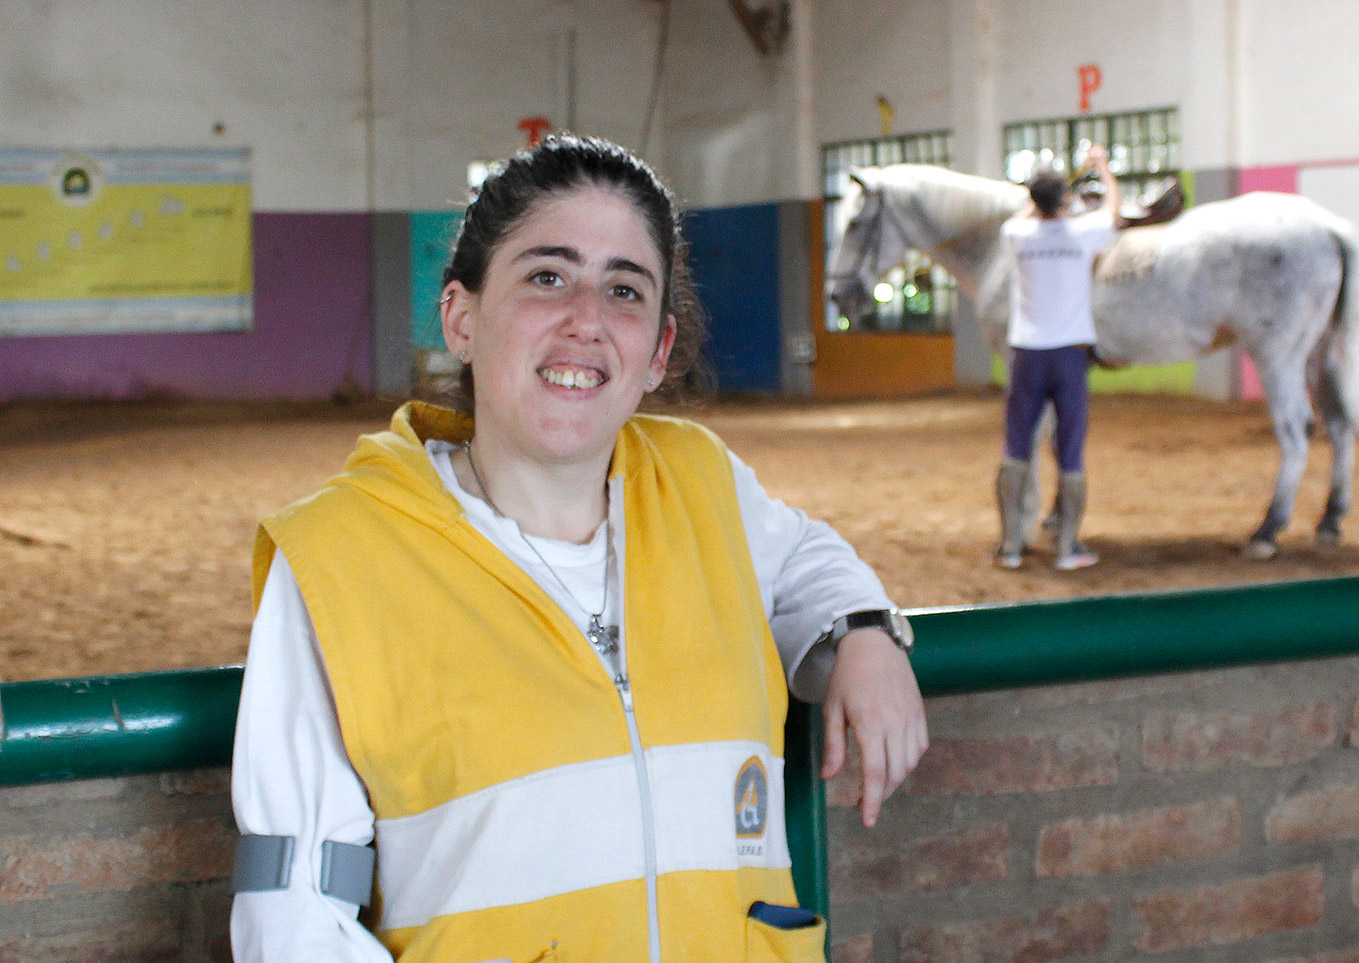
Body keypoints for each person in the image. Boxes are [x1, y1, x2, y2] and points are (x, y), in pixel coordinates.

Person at [229, 134, 926, 963]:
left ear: (657, 351)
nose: (587, 319)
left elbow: (807, 554)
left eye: (624, 290)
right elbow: (294, 917)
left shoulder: (704, 484)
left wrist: (866, 629)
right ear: (460, 317)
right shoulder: (338, 558)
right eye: (547, 277)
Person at [994, 144, 1122, 571]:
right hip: (1069, 357)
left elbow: (1029, 216)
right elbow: (1115, 210)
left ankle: (1010, 547)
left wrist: (1044, 201)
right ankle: (1068, 549)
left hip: (1026, 356)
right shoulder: (1084, 234)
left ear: (1033, 201)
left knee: (1016, 447)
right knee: (1070, 451)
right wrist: (1101, 168)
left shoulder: (1016, 235)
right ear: (1065, 201)